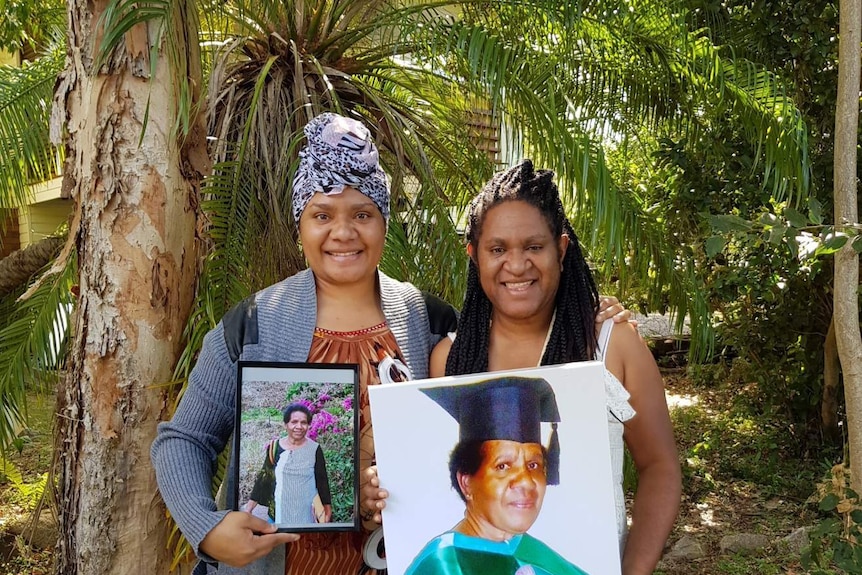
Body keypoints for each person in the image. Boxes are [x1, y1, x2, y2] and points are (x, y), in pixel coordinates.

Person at [151, 113, 630, 575]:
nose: (343, 232)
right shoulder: (256, 326)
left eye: (363, 213)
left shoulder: (429, 322)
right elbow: (184, 439)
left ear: (384, 221)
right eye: (322, 215)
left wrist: (585, 310)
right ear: (300, 223)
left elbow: (516, 341)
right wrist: (208, 530)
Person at [429, 160, 681, 575]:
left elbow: (660, 467)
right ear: (473, 256)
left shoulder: (611, 346)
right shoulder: (450, 358)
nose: (517, 264)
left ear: (561, 250)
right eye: (497, 249)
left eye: (534, 246)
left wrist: (634, 570)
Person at [405, 376, 590, 575]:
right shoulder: (443, 565)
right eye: (503, 466)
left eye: (534, 464)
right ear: (466, 483)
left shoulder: (536, 555)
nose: (526, 481)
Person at [244, 404, 332, 525]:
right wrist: (248, 509)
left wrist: (327, 510)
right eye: (294, 422)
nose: (299, 427)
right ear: (286, 425)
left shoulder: (315, 449)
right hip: (277, 514)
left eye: (304, 422)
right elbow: (264, 478)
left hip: (306, 515)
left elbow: (322, 481)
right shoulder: (274, 447)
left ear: (308, 425)